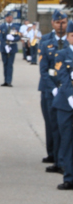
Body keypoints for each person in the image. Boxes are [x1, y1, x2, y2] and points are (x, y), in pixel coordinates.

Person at [40, 10, 69, 173]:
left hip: (66, 89)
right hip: (49, 89)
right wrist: (52, 89)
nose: (60, 25)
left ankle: (62, 159)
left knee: (63, 126)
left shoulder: (70, 43)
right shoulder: (46, 41)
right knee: (52, 124)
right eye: (58, 22)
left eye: (63, 22)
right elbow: (43, 70)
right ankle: (54, 155)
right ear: (52, 23)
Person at [52, 21, 73, 191]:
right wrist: (71, 96)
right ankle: (69, 177)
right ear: (68, 37)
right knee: (67, 140)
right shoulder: (62, 54)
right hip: (66, 104)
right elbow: (62, 77)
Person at [0, 12, 20, 86]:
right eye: (8, 17)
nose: (9, 19)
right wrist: (5, 45)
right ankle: (5, 81)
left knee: (10, 64)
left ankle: (9, 81)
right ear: (5, 18)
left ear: (12, 18)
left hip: (12, 47)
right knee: (5, 64)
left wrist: (13, 39)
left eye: (10, 17)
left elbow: (18, 37)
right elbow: (0, 37)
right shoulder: (2, 26)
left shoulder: (16, 27)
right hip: (4, 48)